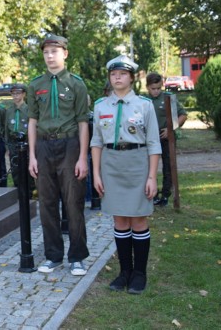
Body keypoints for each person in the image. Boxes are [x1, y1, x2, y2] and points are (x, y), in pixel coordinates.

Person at [90, 55, 161, 294]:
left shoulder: (144, 105)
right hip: (111, 165)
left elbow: (153, 143)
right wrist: (96, 174)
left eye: (122, 74)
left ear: (131, 77)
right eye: (113, 74)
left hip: (137, 163)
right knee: (119, 219)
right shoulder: (101, 106)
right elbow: (96, 141)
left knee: (139, 219)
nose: (117, 77)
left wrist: (152, 176)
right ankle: (124, 272)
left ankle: (139, 273)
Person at [27, 34, 90, 276]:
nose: (50, 56)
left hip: (70, 146)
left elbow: (84, 123)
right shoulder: (35, 85)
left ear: (65, 53)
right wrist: (32, 156)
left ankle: (77, 257)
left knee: (73, 203)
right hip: (44, 148)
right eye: (46, 52)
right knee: (47, 204)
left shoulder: (76, 84)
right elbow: (32, 122)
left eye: (55, 51)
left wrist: (83, 157)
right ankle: (53, 256)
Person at [145, 73, 188, 207]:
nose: (156, 91)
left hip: (166, 137)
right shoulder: (143, 101)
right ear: (147, 87)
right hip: (149, 138)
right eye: (153, 88)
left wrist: (170, 129)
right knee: (148, 167)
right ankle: (152, 194)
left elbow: (183, 115)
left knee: (168, 167)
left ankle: (165, 195)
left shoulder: (168, 98)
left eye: (158, 88)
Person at [4, 83, 32, 190]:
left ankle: (28, 193)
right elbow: (6, 129)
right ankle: (17, 191)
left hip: (25, 142)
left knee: (26, 168)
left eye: (18, 93)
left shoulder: (28, 109)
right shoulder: (9, 110)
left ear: (24, 94)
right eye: (13, 93)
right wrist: (7, 147)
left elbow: (32, 128)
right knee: (15, 169)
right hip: (13, 142)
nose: (15, 96)